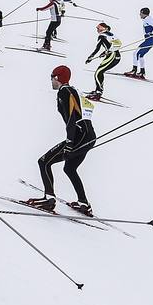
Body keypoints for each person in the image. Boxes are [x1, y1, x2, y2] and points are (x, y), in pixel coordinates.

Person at [26, 65, 97, 216]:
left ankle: (49, 199)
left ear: (57, 78)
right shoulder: (74, 91)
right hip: (88, 136)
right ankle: (84, 203)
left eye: (52, 77)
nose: (51, 80)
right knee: (69, 168)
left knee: (44, 162)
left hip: (78, 136)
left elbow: (71, 118)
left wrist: (69, 144)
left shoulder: (64, 92)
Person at [84, 23, 120, 100]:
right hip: (115, 55)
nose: (97, 30)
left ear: (103, 29)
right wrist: (105, 52)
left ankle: (98, 92)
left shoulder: (102, 36)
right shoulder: (110, 34)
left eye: (98, 29)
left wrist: (90, 57)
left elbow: (97, 48)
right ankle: (98, 90)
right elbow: (113, 45)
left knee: (98, 73)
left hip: (112, 56)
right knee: (100, 72)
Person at [127, 7, 153, 79]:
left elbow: (151, 28)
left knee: (135, 53)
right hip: (151, 40)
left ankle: (134, 70)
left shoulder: (147, 20)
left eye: (140, 13)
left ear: (143, 13)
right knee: (141, 55)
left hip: (149, 39)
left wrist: (150, 33)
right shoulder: (151, 19)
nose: (139, 15)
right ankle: (142, 72)